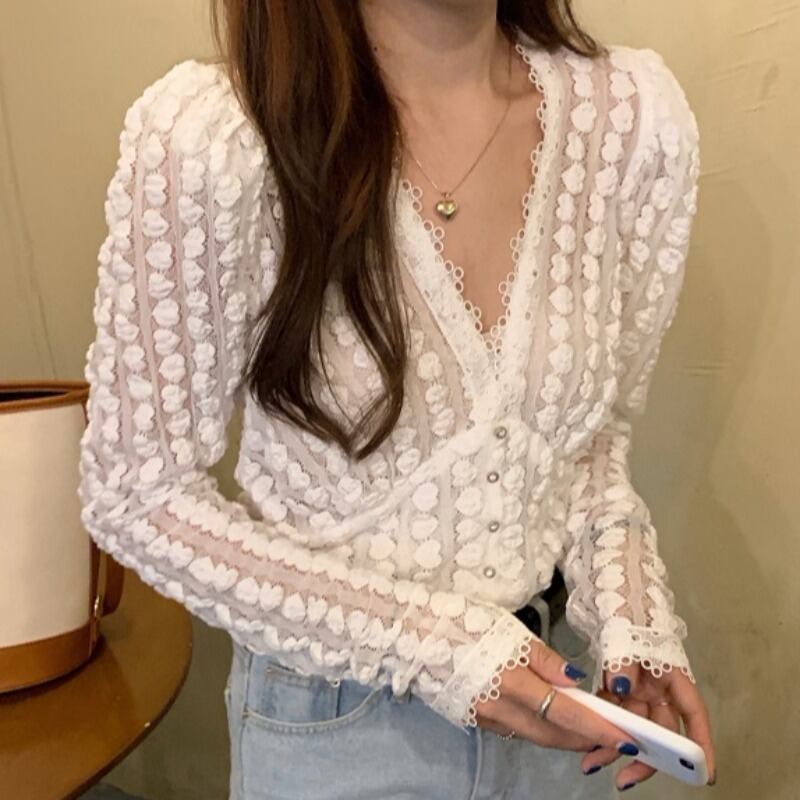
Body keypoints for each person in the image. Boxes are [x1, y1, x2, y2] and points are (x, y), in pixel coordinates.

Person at [77, 0, 717, 797]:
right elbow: (137, 492)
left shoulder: (629, 123)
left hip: (556, 710)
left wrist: (631, 610)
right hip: (333, 733)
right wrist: (433, 647)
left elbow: (585, 444)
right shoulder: (216, 140)